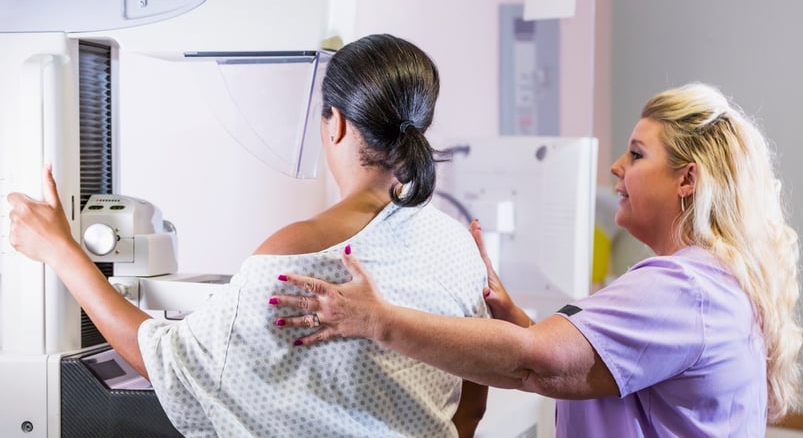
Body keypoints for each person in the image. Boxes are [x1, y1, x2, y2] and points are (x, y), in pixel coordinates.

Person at [7, 34, 492, 437]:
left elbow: (169, 363)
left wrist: (61, 250)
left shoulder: (296, 251)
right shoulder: (458, 248)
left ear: (336, 124)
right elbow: (472, 403)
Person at [272, 82, 803, 437]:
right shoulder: (710, 280)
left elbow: (537, 363)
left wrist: (374, 319)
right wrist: (521, 321)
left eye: (638, 155)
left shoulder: (682, 287)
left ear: (688, 179)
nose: (618, 167)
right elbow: (595, 367)